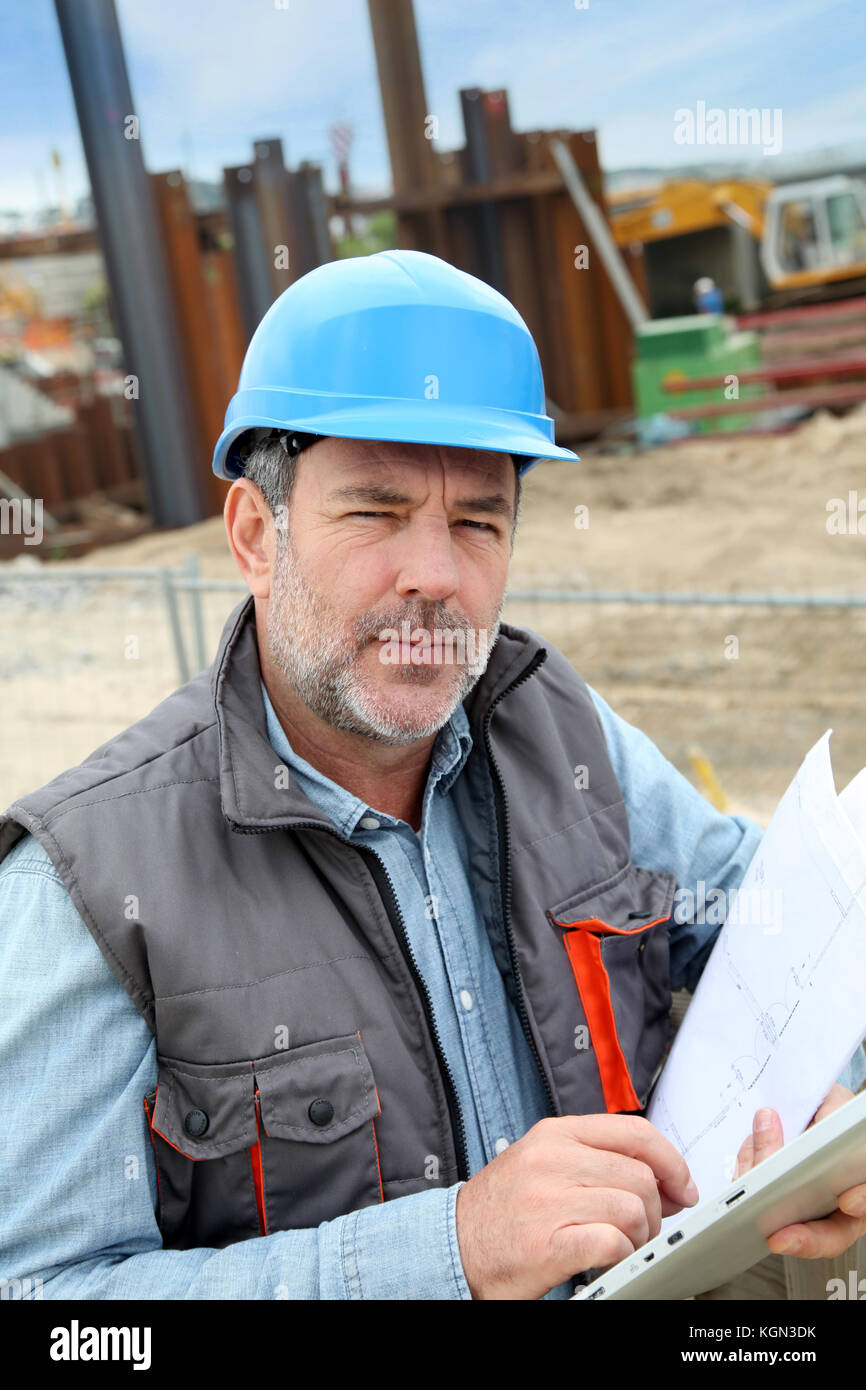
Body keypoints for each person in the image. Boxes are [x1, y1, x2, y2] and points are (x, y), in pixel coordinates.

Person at [1, 250, 864, 1302]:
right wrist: (449, 1248)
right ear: (253, 535)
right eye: (374, 511)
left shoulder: (561, 733)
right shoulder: (88, 883)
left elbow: (783, 927)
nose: (436, 576)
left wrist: (832, 1110)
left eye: (477, 522)